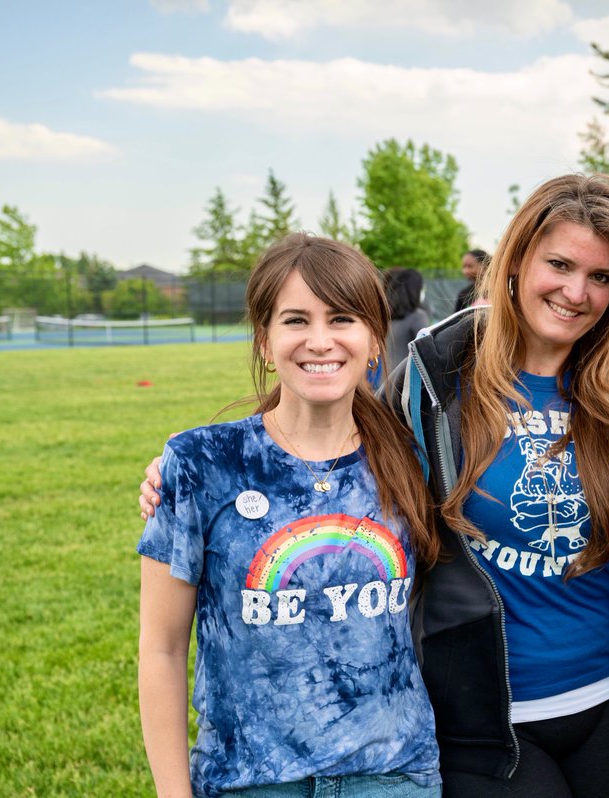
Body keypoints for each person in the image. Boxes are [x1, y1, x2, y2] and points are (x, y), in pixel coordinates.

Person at [137, 234, 443, 798]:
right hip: (249, 780)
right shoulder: (202, 464)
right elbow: (161, 648)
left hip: (394, 776)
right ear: (263, 340)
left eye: (343, 318)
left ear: (375, 338)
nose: (320, 341)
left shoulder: (415, 457)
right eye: (296, 320)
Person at [390, 174, 609, 798]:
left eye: (600, 277)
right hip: (488, 718)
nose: (575, 292)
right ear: (515, 261)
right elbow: (326, 450)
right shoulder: (435, 378)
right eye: (558, 264)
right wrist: (193, 470)